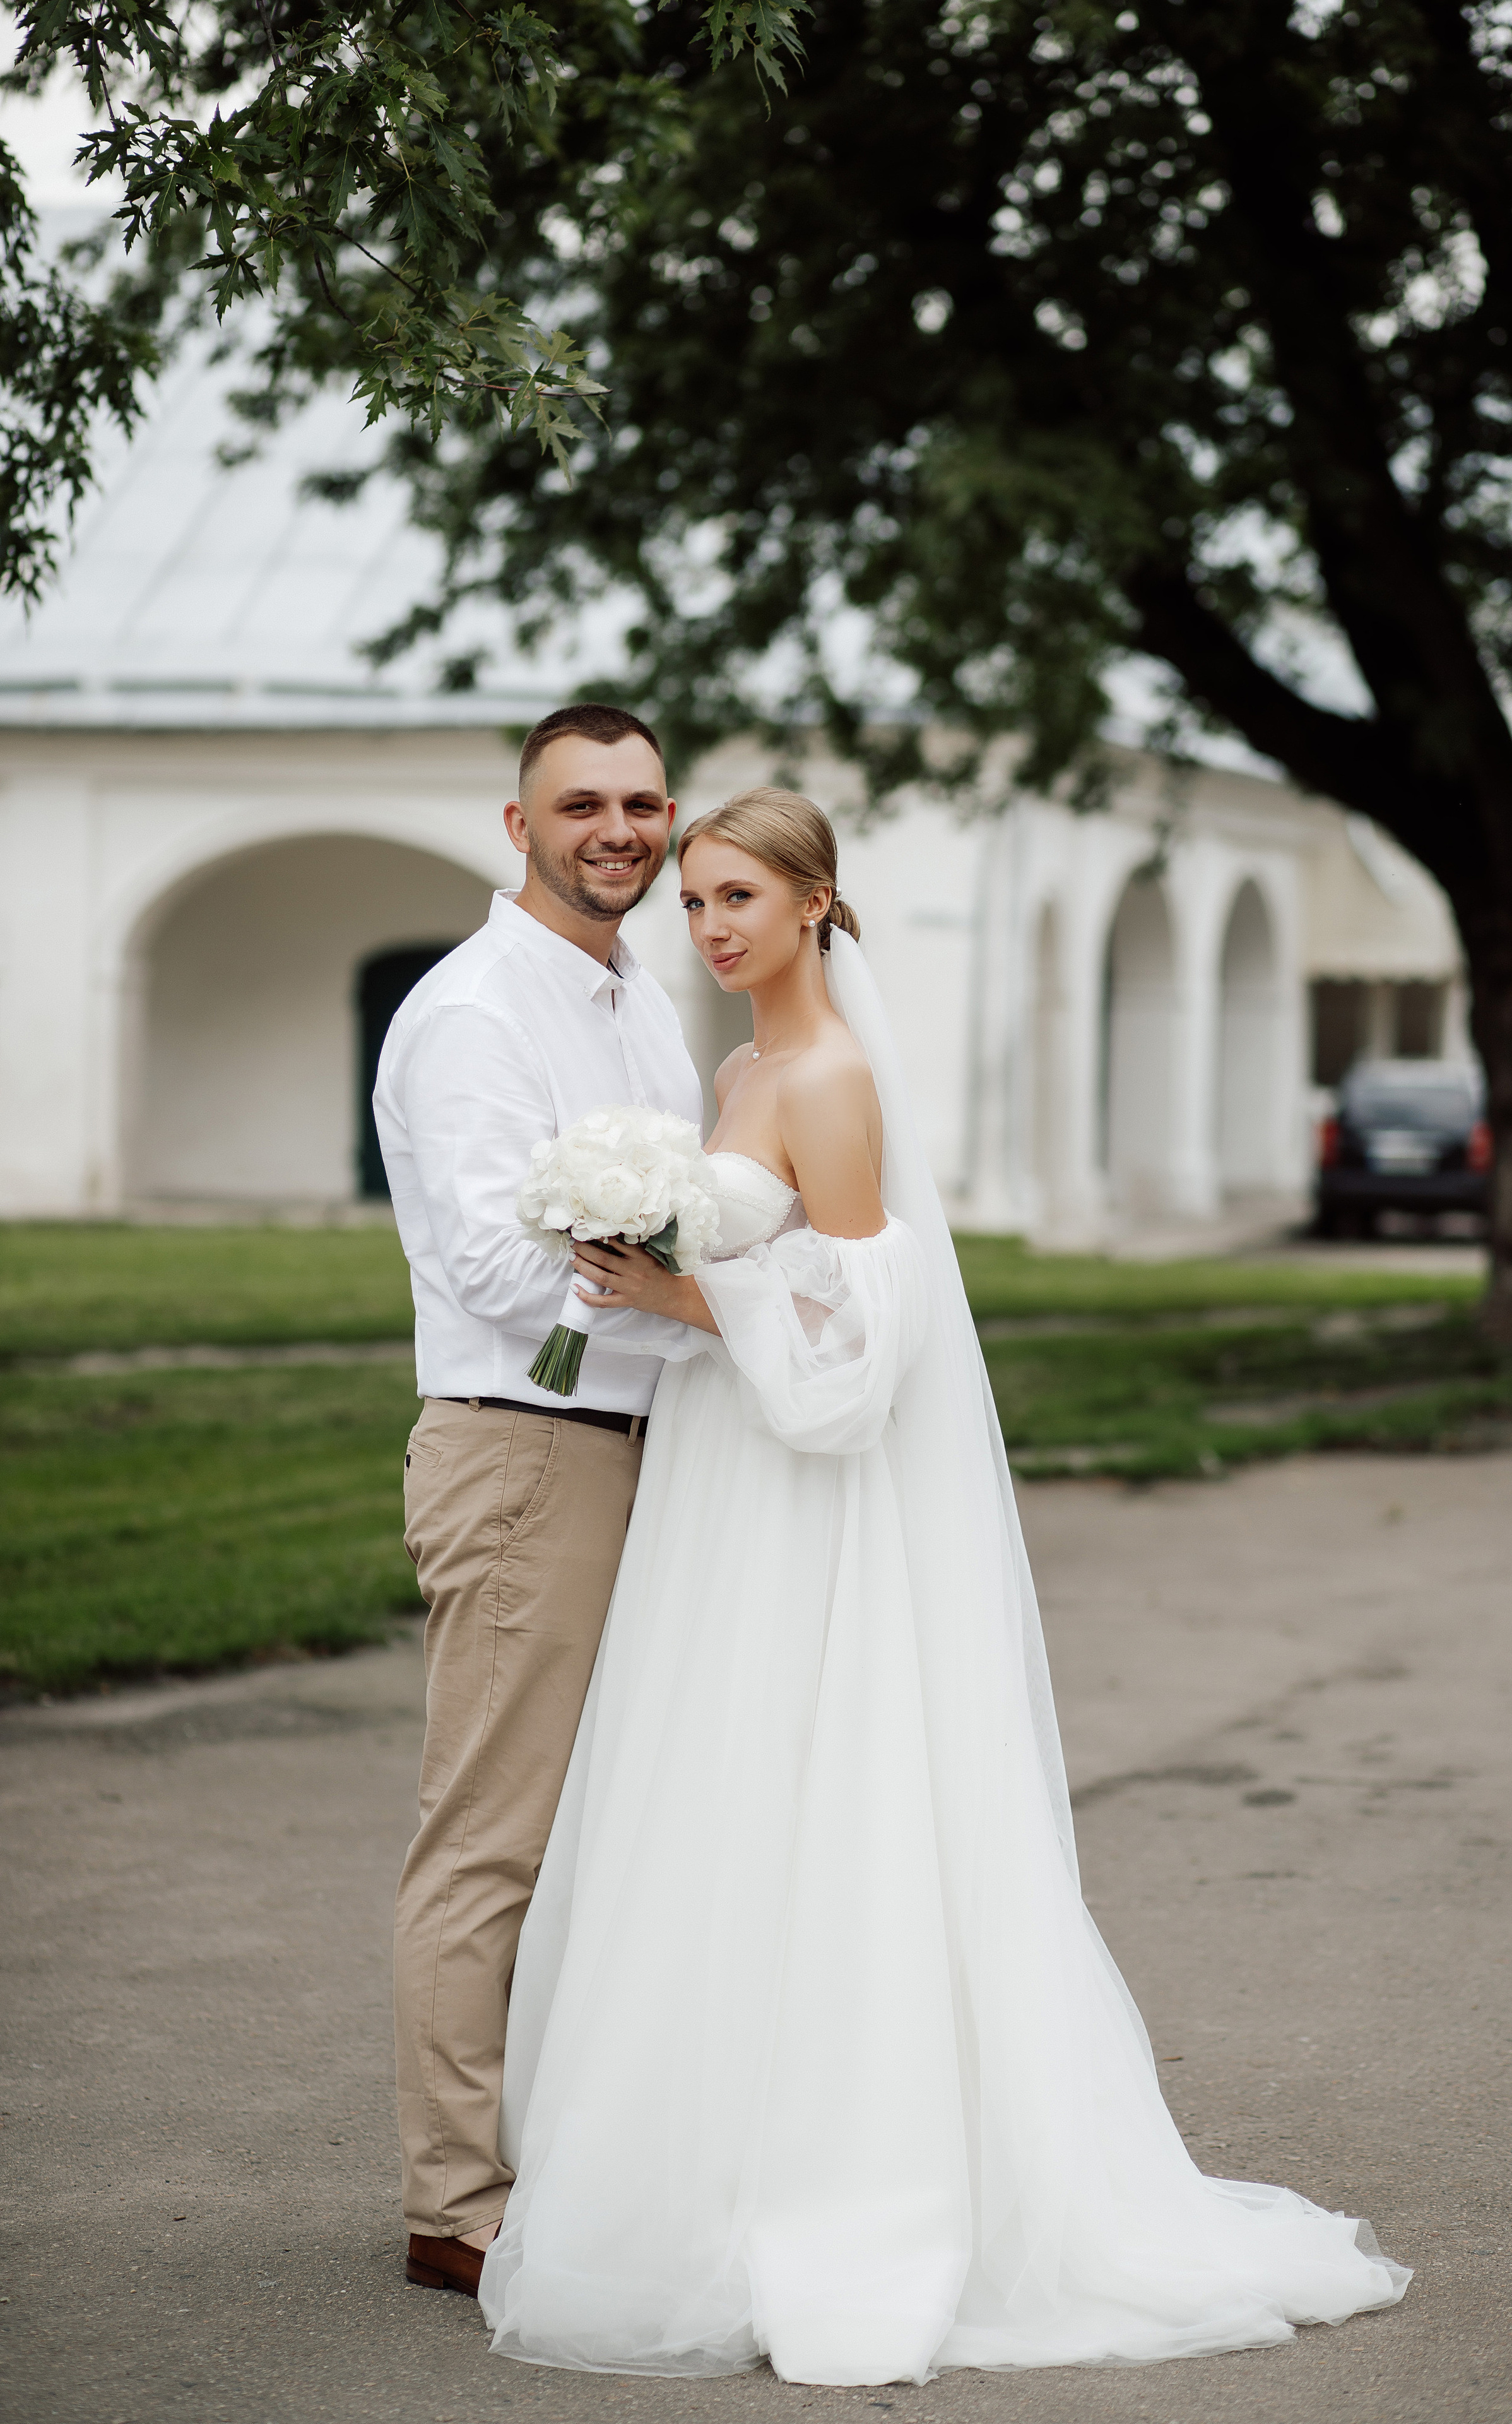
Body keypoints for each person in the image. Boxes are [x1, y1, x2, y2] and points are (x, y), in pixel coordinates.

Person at [479, 787, 1411, 2384]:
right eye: (694, 900)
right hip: (724, 1479)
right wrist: (663, 1273)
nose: (707, 926)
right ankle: (711, 2152)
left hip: (797, 1488)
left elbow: (860, 1336)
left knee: (819, 1795)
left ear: (815, 904)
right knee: (715, 1797)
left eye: (736, 900)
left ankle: (847, 2179)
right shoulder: (734, 1069)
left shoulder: (828, 1079)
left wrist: (680, 1299)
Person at [372, 703, 703, 2299]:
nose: (618, 830)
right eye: (581, 805)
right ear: (519, 828)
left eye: (643, 802)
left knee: (612, 1837)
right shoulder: (474, 1013)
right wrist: (708, 1295)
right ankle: (457, 2203)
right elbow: (500, 1276)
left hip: (655, 1449)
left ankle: (577, 2157)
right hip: (526, 1451)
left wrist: (684, 1285)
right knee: (491, 1840)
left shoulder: (644, 997)